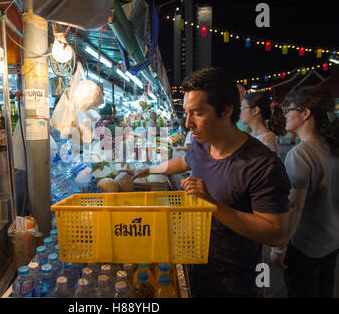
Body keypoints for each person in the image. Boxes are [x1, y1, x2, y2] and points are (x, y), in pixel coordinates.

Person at [124, 67, 291, 298]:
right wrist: (147, 170)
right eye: (186, 112)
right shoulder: (203, 144)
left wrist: (211, 203)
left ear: (225, 110)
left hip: (234, 281)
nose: (187, 124)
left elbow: (276, 233)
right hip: (193, 264)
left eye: (198, 113)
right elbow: (183, 161)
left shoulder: (263, 165)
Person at [270, 86, 339, 298]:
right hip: (331, 240)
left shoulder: (301, 153)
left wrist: (279, 248)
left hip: (305, 245)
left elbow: (294, 206)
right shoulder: (333, 147)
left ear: (305, 113)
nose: (286, 115)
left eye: (289, 109)